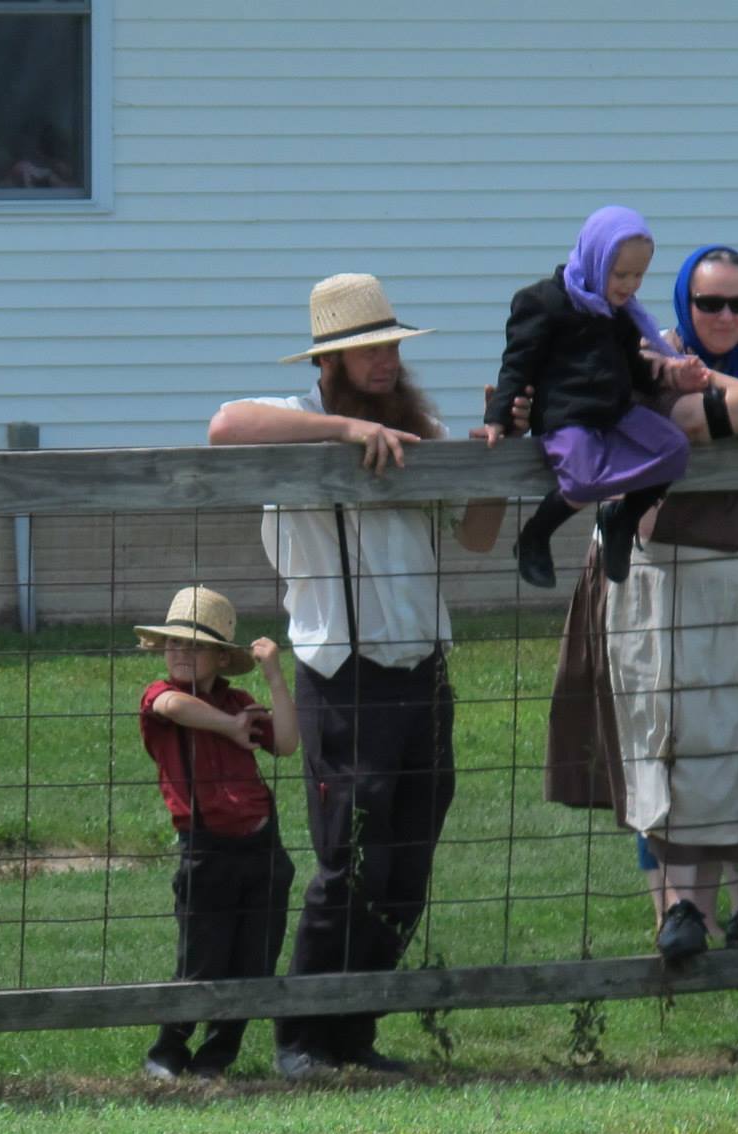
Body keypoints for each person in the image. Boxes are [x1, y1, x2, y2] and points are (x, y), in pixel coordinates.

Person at [208, 272, 506, 1079]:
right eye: (363, 349)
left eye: (388, 347)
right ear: (329, 363)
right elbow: (223, 424)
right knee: (350, 859)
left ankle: (354, 1031)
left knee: (408, 863)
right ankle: (303, 1037)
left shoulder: (419, 425)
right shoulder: (302, 424)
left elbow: (478, 538)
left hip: (422, 671)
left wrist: (491, 463)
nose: (382, 361)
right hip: (343, 677)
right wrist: (341, 432)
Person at [543, 244, 738, 959]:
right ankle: (679, 911)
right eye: (710, 303)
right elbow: (682, 421)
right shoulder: (650, 354)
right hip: (665, 574)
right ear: (682, 304)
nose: (726, 316)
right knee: (671, 741)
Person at [483, 205, 698, 588]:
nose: (630, 285)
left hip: (615, 413)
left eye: (639, 275)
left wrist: (671, 377)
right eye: (621, 274)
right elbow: (517, 364)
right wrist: (498, 416)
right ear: (596, 259)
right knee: (583, 481)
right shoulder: (544, 302)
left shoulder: (622, 313)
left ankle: (623, 519)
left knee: (674, 449)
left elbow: (633, 369)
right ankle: (534, 536)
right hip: (567, 416)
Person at [134, 586, 298, 1081]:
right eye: (173, 643)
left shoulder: (242, 700)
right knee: (200, 958)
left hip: (262, 848)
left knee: (253, 958)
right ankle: (167, 1050)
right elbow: (174, 710)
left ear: (221, 657)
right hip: (205, 850)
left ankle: (217, 1056)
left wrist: (274, 676)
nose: (180, 653)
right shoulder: (160, 695)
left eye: (195, 645)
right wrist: (229, 727)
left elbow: (287, 743)